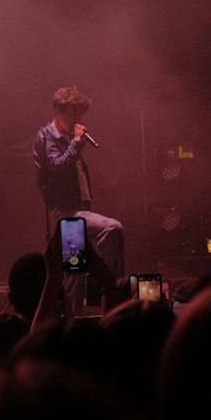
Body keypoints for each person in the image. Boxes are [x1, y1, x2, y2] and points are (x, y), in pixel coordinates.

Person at [32, 85, 125, 301]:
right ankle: (112, 291)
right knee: (113, 229)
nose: (77, 120)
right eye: (72, 115)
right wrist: (75, 143)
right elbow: (57, 168)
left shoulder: (66, 139)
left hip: (80, 211)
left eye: (80, 115)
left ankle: (74, 316)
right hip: (66, 212)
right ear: (58, 111)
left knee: (75, 271)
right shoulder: (46, 137)